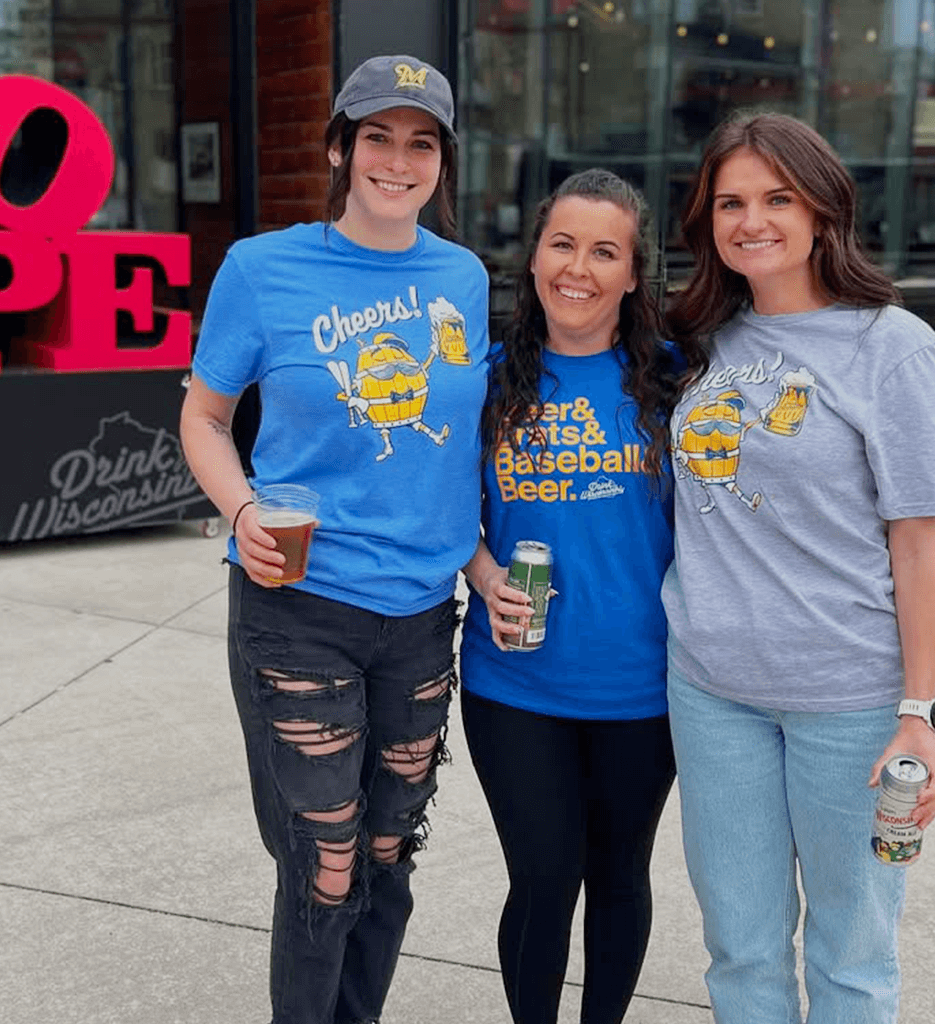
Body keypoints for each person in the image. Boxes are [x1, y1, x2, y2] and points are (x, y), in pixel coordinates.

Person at [179, 55, 489, 1024]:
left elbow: (461, 445)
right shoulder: (263, 268)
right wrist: (241, 511)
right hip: (300, 606)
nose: (399, 161)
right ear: (339, 148)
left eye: (421, 142)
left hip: (422, 615)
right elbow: (203, 417)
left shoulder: (464, 276)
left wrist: (478, 554)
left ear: (442, 161)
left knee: (391, 852)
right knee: (324, 862)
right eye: (379, 138)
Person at [662, 112, 935, 1024]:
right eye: (730, 202)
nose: (751, 220)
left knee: (851, 952)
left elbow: (918, 543)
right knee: (739, 951)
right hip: (712, 692)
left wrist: (917, 714)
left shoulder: (889, 345)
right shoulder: (701, 341)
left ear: (824, 206)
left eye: (776, 198)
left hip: (848, 702)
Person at [459, 168, 696, 1024]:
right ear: (533, 260)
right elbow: (442, 516)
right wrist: (483, 574)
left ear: (634, 275)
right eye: (563, 244)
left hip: (643, 683)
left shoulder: (677, 384)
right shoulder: (484, 382)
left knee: (618, 873)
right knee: (544, 874)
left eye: (606, 252)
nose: (579, 268)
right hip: (512, 682)